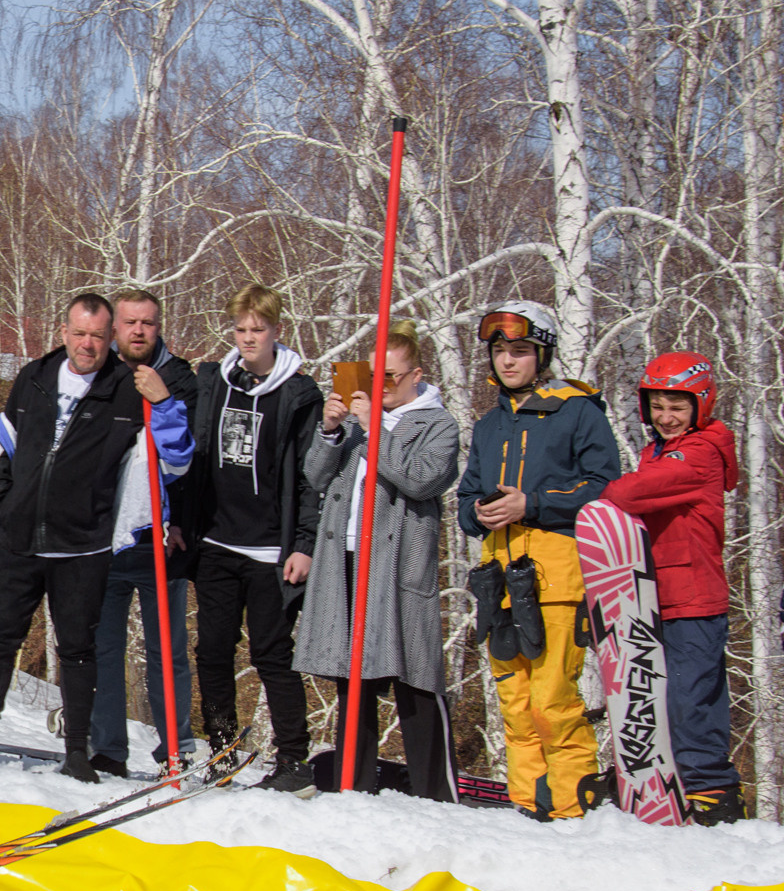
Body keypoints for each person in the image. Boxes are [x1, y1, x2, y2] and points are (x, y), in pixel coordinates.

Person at [0, 293, 179, 784]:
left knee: (79, 651)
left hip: (82, 545)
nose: (88, 344)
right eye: (79, 333)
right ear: (64, 332)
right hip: (20, 539)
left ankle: (78, 753)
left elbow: (174, 458)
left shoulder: (127, 389)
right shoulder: (35, 377)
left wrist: (164, 402)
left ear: (111, 338)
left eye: (98, 336)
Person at [455, 301, 621, 822]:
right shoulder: (488, 424)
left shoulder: (578, 411)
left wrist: (532, 504)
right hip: (498, 580)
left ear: (542, 355)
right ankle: (527, 803)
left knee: (553, 701)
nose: (508, 360)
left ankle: (571, 808)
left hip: (557, 577)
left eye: (520, 350)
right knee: (516, 703)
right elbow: (466, 498)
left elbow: (606, 486)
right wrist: (477, 513)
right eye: (500, 350)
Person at [291, 322, 461, 800]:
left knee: (415, 674)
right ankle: (354, 783)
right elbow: (315, 475)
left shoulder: (438, 424)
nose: (379, 385)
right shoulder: (359, 421)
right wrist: (330, 430)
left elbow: (422, 479)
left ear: (416, 376)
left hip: (398, 563)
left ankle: (435, 791)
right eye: (373, 375)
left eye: (390, 376)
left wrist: (372, 431)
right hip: (345, 555)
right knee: (353, 675)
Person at [187, 284, 324, 792]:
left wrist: (304, 544)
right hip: (217, 542)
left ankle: (294, 760)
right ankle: (222, 750)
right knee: (213, 651)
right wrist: (182, 519)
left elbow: (311, 478)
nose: (248, 338)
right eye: (241, 329)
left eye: (258, 330)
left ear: (276, 330)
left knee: (271, 654)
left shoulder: (299, 395)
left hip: (270, 548)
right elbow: (195, 454)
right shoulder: (214, 382)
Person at [597, 353, 743, 824]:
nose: (665, 417)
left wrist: (606, 491)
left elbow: (628, 494)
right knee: (652, 695)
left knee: (689, 697)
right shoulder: (658, 451)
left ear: (701, 404)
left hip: (692, 596)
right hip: (656, 594)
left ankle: (710, 789)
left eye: (677, 407)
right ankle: (667, 783)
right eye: (657, 406)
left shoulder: (699, 453)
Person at [89, 289, 198, 778]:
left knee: (167, 650)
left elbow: (192, 459)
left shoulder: (181, 378)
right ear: (115, 328)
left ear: (158, 327)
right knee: (103, 648)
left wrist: (184, 521)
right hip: (105, 536)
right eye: (130, 322)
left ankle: (176, 748)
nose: (138, 331)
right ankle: (107, 748)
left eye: (147, 323)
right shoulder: (99, 376)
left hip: (162, 536)